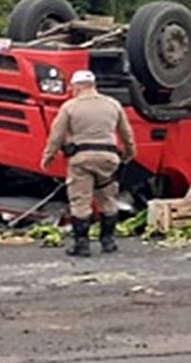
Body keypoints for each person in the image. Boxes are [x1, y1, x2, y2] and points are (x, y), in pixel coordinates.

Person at [40, 70, 136, 257]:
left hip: (81, 160)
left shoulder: (70, 107)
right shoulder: (112, 105)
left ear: (77, 86)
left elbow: (56, 136)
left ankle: (82, 245)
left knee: (80, 201)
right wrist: (129, 154)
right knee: (108, 199)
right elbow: (127, 133)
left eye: (72, 87)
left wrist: (48, 157)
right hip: (108, 159)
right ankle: (108, 242)